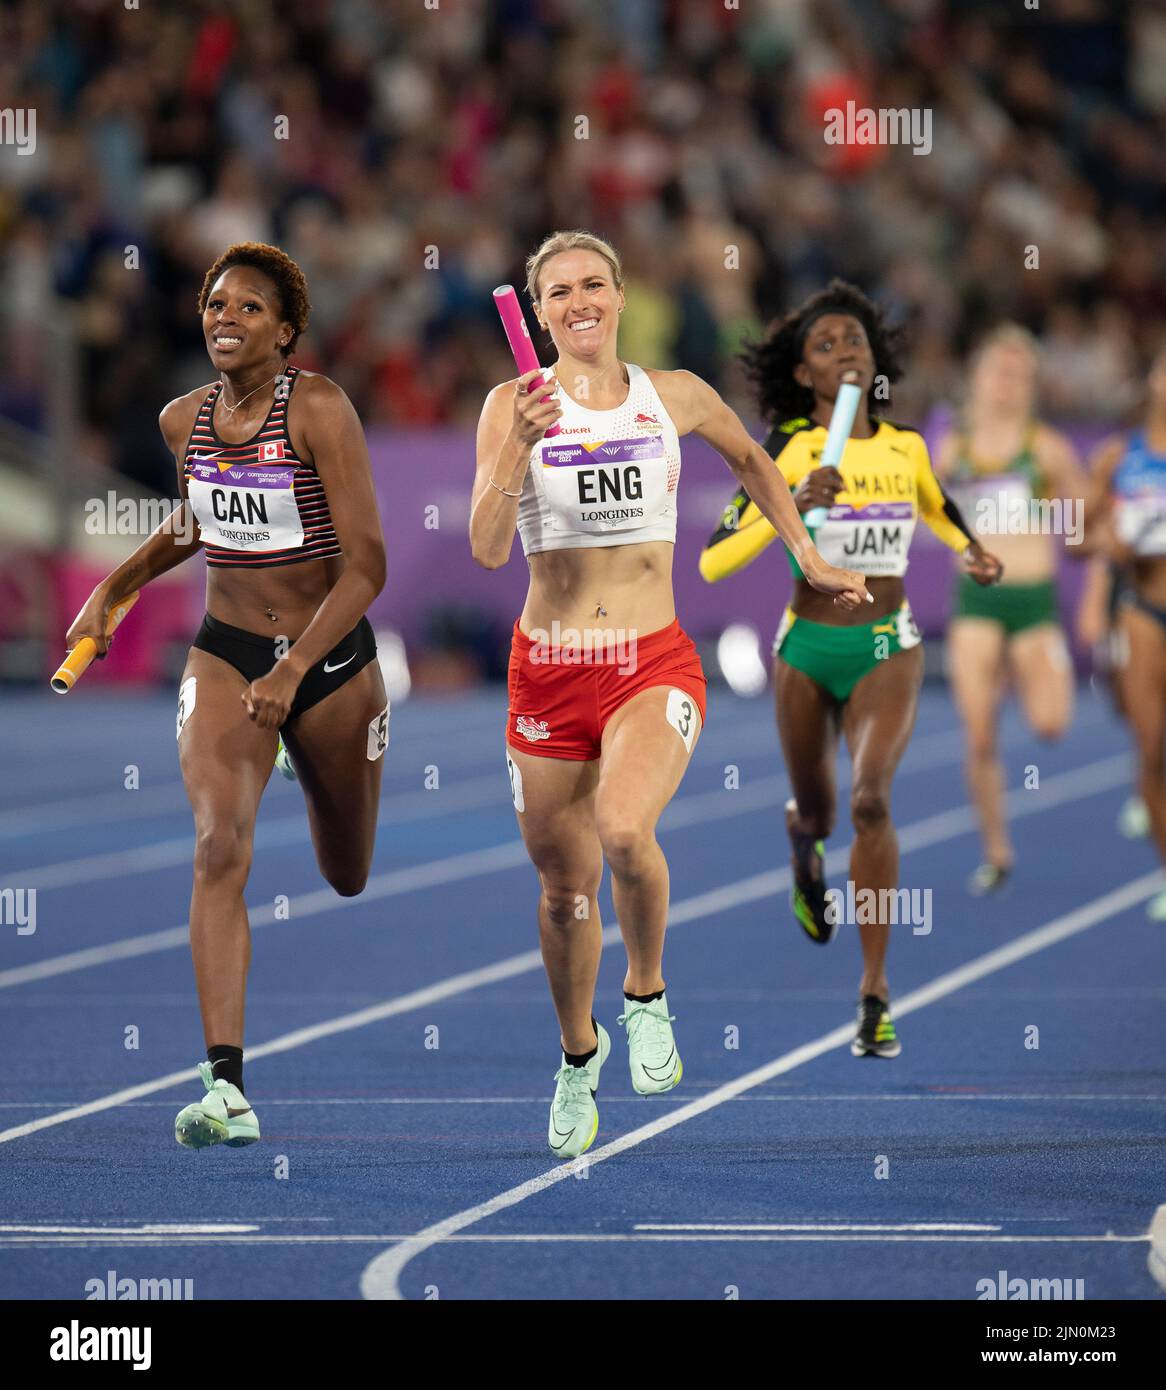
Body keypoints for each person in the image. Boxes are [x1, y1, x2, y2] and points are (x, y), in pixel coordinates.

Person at [470, 232, 869, 1157]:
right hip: (549, 670)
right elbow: (488, 548)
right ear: (539, 312)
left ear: (620, 296)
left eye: (593, 285)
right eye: (559, 291)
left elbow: (754, 462)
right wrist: (518, 448)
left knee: (623, 831)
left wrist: (806, 555)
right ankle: (578, 1057)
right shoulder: (509, 405)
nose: (579, 301)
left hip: (650, 662)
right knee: (564, 891)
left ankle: (645, 995)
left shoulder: (673, 395)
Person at [65, 242, 389, 1147]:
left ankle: (303, 755)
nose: (226, 318)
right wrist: (114, 588)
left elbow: (368, 566)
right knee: (217, 847)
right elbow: (198, 520)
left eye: (249, 307)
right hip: (228, 655)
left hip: (327, 662)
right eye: (215, 304)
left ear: (285, 332)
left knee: (347, 873)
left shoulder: (318, 408)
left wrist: (294, 672)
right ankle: (227, 1088)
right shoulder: (185, 420)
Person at [700, 280, 1002, 1057]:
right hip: (806, 648)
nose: (845, 352)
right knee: (822, 814)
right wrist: (792, 506)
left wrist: (972, 551)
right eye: (826, 345)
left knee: (871, 803)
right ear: (804, 373)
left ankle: (874, 991)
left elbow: (937, 506)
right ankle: (803, 847)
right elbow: (713, 562)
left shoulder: (905, 446)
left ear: (874, 361)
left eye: (855, 340)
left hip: (886, 645)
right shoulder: (789, 447)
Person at [936, 326, 1087, 894]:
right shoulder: (951, 449)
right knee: (978, 735)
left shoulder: (1046, 448)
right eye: (998, 371)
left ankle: (1023, 668)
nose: (1007, 383)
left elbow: (1082, 520)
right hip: (976, 603)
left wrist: (1093, 558)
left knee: (1051, 724)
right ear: (977, 377)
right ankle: (996, 849)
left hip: (1032, 601)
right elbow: (917, 506)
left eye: (1019, 374)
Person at [1085, 345, 1166, 917]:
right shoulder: (1118, 456)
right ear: (1153, 381)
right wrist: (1107, 541)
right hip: (1141, 610)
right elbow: (1076, 535)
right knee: (1152, 749)